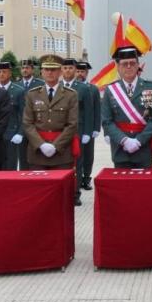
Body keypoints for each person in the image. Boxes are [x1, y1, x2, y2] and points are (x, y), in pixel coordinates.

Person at [22, 55, 79, 199]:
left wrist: (55, 146)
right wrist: (41, 145)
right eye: (46, 69)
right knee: (37, 195)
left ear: (60, 72)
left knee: (61, 195)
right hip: (37, 154)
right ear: (41, 72)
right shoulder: (32, 94)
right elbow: (27, 123)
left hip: (61, 154)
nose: (50, 73)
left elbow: (72, 124)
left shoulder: (71, 95)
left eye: (53, 70)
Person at [101, 47, 152, 169]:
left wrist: (139, 140)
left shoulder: (151, 87)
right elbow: (107, 121)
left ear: (138, 65)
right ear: (118, 67)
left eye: (132, 63)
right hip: (120, 148)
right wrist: (124, 140)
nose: (128, 67)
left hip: (144, 148)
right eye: (124, 64)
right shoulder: (110, 90)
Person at [61, 58, 95, 204]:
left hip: (78, 131)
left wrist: (88, 132)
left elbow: (89, 111)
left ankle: (75, 193)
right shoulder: (57, 86)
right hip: (61, 131)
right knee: (62, 162)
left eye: (70, 68)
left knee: (77, 163)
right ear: (61, 70)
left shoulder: (83, 88)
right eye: (65, 68)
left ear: (75, 70)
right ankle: (63, 191)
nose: (67, 71)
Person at [0, 60, 26, 171]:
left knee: (10, 166)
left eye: (4, 71)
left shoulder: (19, 91)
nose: (1, 74)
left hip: (12, 135)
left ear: (10, 73)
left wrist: (20, 133)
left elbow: (24, 114)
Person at [75, 60, 101, 189]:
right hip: (76, 127)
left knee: (88, 154)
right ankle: (77, 179)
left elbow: (97, 110)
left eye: (82, 72)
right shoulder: (72, 87)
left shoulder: (93, 89)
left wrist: (96, 128)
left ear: (87, 73)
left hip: (89, 127)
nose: (80, 74)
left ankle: (86, 177)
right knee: (77, 155)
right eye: (78, 71)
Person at [16, 58, 44, 170]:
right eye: (22, 68)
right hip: (21, 125)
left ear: (32, 70)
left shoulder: (40, 84)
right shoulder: (16, 85)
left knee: (37, 155)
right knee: (22, 156)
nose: (24, 70)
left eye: (27, 68)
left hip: (36, 125)